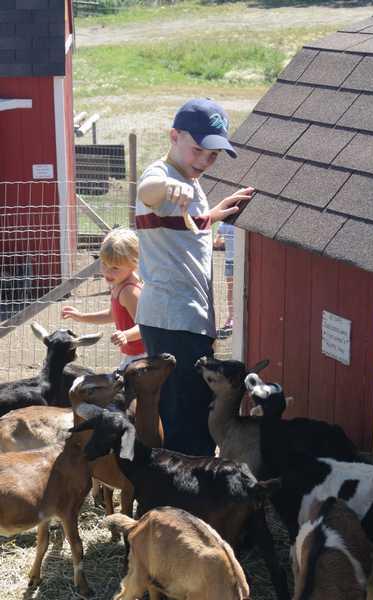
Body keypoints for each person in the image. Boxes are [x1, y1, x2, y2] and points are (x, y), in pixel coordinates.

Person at [135, 97, 253, 456]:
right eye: (198, 150)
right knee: (187, 425)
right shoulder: (162, 176)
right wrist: (169, 188)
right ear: (174, 136)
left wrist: (212, 215)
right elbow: (148, 190)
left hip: (180, 318)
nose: (204, 160)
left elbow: (181, 226)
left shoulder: (188, 178)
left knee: (185, 415)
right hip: (174, 319)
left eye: (212, 155)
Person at [61, 228, 145, 370]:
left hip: (143, 356)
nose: (107, 271)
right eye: (104, 264)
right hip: (133, 354)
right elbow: (112, 315)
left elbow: (145, 327)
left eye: (115, 268)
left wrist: (126, 335)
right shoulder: (118, 284)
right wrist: (81, 316)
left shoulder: (129, 291)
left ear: (133, 265)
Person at [214, 222, 234, 339]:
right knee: (235, 289)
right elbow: (217, 243)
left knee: (231, 290)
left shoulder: (223, 225)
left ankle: (231, 318)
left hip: (231, 260)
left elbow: (216, 243)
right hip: (235, 260)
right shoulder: (225, 225)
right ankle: (232, 317)